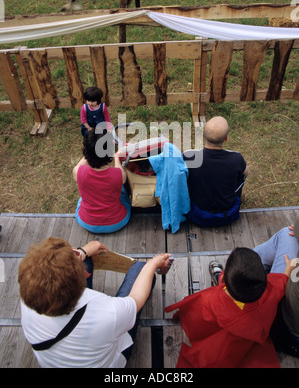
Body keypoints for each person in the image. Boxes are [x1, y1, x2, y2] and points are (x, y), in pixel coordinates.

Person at [18, 236, 172, 368]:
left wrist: (84, 252)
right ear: (79, 283)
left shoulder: (30, 299)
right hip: (109, 362)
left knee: (88, 260)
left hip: (54, 361)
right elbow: (137, 298)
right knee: (140, 268)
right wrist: (152, 264)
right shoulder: (108, 313)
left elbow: (52, 276)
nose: (75, 253)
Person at [165, 247, 294, 368]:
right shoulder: (268, 296)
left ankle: (219, 277)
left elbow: (195, 313)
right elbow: (280, 284)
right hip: (251, 331)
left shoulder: (211, 301)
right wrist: (288, 270)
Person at [183, 116, 249, 227]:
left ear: (203, 133)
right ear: (226, 138)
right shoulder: (236, 158)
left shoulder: (190, 156)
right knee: (243, 174)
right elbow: (246, 172)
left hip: (198, 214)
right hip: (228, 214)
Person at [254, 217, 299, 357]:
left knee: (286, 234)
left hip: (287, 327)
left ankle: (242, 272)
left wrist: (288, 271)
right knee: (288, 234)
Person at [73, 129, 131, 233]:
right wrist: (116, 158)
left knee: (81, 199)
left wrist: (90, 152)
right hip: (117, 222)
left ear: (86, 152)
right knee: (122, 191)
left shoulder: (78, 172)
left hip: (86, 222)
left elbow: (81, 164)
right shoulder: (119, 175)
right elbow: (120, 172)